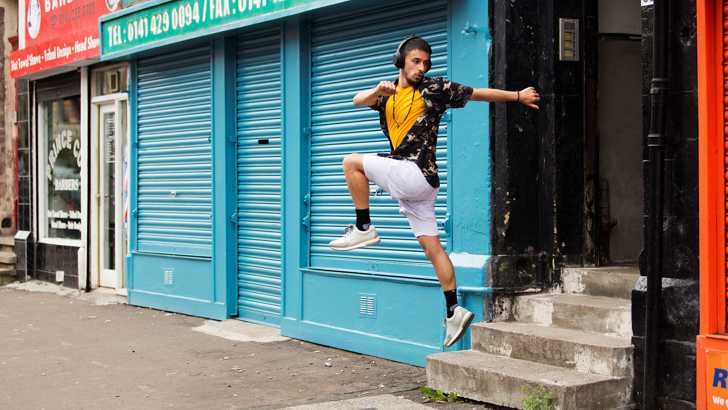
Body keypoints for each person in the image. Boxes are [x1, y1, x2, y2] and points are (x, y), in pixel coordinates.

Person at [328, 36, 540, 347]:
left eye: (426, 63)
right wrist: (377, 90)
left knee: (351, 163)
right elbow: (357, 101)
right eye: (416, 61)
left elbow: (477, 93)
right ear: (400, 61)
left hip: (414, 172)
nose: (422, 67)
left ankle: (363, 226)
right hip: (421, 189)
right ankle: (453, 309)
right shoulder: (387, 97)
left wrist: (517, 95)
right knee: (433, 249)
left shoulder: (434, 89)